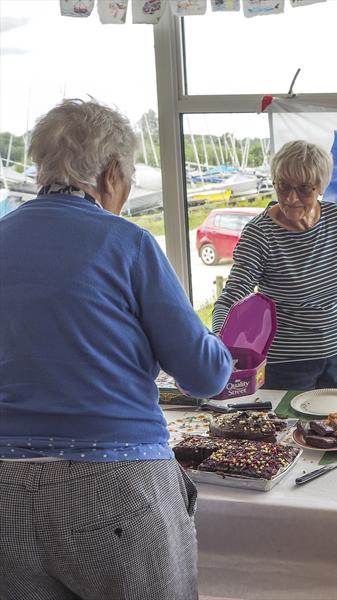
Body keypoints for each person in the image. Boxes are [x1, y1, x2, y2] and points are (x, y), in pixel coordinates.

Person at [0, 100, 232, 599]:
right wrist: (221, 344)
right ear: (110, 174)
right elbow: (205, 376)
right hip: (115, 481)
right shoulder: (126, 243)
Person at [213, 140, 337, 392]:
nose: (290, 198)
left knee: (336, 428)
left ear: (320, 187)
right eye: (283, 186)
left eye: (304, 189)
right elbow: (230, 299)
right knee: (288, 430)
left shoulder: (335, 217)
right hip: (287, 365)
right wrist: (220, 345)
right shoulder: (260, 234)